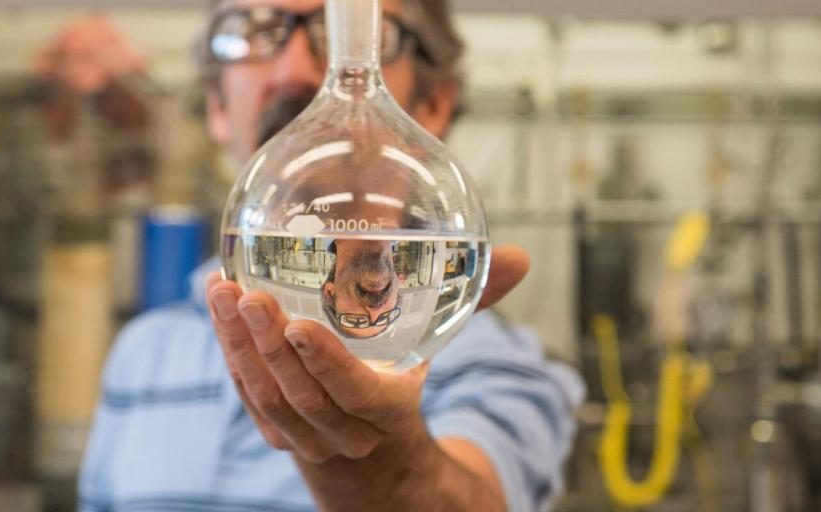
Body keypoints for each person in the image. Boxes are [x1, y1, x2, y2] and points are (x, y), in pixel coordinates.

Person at [79, 1, 583, 510]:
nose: (295, 70)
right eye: (256, 30)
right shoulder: (142, 355)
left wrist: (373, 464)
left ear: (434, 104)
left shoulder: (483, 357)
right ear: (216, 106)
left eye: (355, 32)